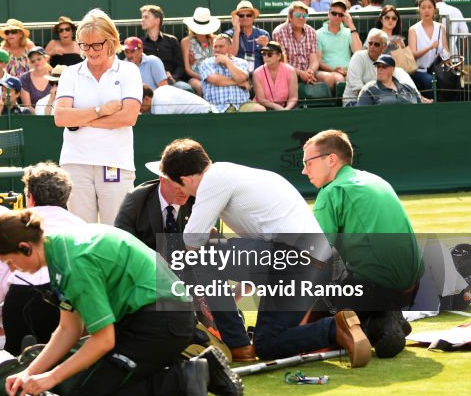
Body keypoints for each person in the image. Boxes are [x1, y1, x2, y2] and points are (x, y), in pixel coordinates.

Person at [0, 212, 242, 396]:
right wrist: (29, 373)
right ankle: (205, 368)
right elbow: (68, 330)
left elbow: (103, 340)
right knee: (85, 385)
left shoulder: (74, 264)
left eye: (10, 262)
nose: (12, 269)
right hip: (155, 317)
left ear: (25, 248)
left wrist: (51, 377)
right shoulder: (61, 249)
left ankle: (182, 380)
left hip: (159, 321)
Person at [159, 139, 332, 364]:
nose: (186, 195)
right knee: (268, 344)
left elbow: (193, 240)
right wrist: (230, 294)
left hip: (293, 260)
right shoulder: (245, 176)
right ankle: (336, 328)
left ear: (185, 179)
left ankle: (238, 345)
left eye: (181, 187)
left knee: (201, 256)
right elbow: (261, 252)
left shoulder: (214, 178)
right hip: (315, 264)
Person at [301, 129, 422, 362]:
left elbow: (315, 258)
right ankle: (384, 316)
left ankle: (376, 324)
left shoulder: (331, 192)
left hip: (376, 287)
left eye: (308, 163)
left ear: (331, 159)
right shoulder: (375, 179)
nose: (304, 170)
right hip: (411, 288)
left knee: (312, 318)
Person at [0, 162, 85, 353]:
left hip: (24, 300)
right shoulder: (82, 226)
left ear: (29, 197)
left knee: (17, 362)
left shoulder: (14, 225)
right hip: (72, 302)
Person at [54, 9, 143, 224]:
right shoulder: (70, 73)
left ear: (111, 41)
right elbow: (61, 118)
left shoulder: (129, 71)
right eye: (84, 45)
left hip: (115, 162)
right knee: (80, 231)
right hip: (75, 162)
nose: (90, 51)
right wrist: (100, 111)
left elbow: (128, 118)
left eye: (96, 45)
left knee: (118, 229)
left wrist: (81, 119)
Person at [113, 160, 194, 254]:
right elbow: (122, 243)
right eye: (179, 185)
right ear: (162, 178)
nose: (185, 191)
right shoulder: (136, 200)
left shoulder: (198, 200)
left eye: (188, 185)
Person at [344, 29, 420, 106]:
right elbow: (357, 89)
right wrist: (382, 98)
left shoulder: (385, 60)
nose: (372, 47)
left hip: (378, 100)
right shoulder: (358, 57)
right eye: (370, 43)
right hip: (354, 102)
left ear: (384, 47)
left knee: (400, 72)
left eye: (376, 44)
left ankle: (418, 97)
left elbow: (396, 83)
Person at [199, 34, 263, 112]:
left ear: (230, 48)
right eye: (215, 47)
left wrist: (227, 62)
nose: (217, 49)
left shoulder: (241, 62)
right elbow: (216, 80)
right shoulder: (207, 62)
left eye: (221, 46)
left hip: (242, 104)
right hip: (218, 106)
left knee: (259, 109)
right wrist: (239, 83)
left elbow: (242, 78)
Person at [272, 1, 324, 87]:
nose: (301, 18)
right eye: (297, 15)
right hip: (287, 73)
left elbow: (314, 60)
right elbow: (282, 62)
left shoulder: (311, 32)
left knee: (330, 79)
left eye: (304, 16)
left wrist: (310, 72)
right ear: (290, 17)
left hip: (308, 73)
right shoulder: (279, 32)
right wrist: (300, 73)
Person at [407, 0, 450, 96]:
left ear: (434, 10)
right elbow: (413, 55)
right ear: (419, 10)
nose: (426, 10)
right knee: (430, 81)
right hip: (419, 70)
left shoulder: (441, 28)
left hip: (438, 69)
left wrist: (448, 61)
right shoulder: (413, 30)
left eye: (430, 7)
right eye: (423, 8)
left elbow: (447, 51)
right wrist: (430, 47)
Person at [316, 0, 362, 90]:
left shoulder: (349, 32)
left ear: (344, 16)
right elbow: (319, 61)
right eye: (334, 13)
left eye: (340, 14)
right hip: (329, 72)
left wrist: (351, 25)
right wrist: (333, 70)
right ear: (328, 13)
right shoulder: (318, 34)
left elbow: (358, 52)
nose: (337, 16)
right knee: (339, 79)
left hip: (348, 71)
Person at [140, 4, 187, 90]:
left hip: (173, 81)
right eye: (142, 17)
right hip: (150, 82)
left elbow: (180, 65)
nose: (142, 20)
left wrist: (173, 77)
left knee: (186, 88)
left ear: (157, 20)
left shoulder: (172, 40)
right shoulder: (141, 43)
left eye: (146, 17)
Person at [180, 7, 220, 94]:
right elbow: (187, 69)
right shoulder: (186, 41)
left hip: (216, 75)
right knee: (200, 87)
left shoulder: (216, 39)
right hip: (196, 77)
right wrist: (204, 77)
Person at [356, 54, 421, 106]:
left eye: (384, 67)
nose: (380, 70)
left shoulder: (408, 88)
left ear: (392, 70)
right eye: (378, 67)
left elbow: (421, 109)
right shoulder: (369, 90)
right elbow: (362, 113)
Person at [251, 41, 298, 111]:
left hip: (284, 108)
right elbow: (261, 99)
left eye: (269, 54)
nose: (266, 57)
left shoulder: (290, 71)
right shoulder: (257, 73)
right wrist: (276, 107)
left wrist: (287, 109)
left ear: (279, 56)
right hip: (262, 109)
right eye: (263, 54)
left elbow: (293, 97)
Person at [226, 0, 269, 69]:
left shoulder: (263, 34)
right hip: (238, 74)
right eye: (241, 16)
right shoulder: (229, 34)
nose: (245, 18)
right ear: (236, 18)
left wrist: (266, 46)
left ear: (253, 17)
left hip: (259, 74)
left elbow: (270, 60)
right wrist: (236, 31)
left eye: (248, 15)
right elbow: (232, 55)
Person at [140, 84, 217, 115]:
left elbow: (163, 131)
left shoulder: (161, 102)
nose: (138, 110)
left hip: (207, 117)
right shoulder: (159, 92)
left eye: (138, 104)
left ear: (146, 99)